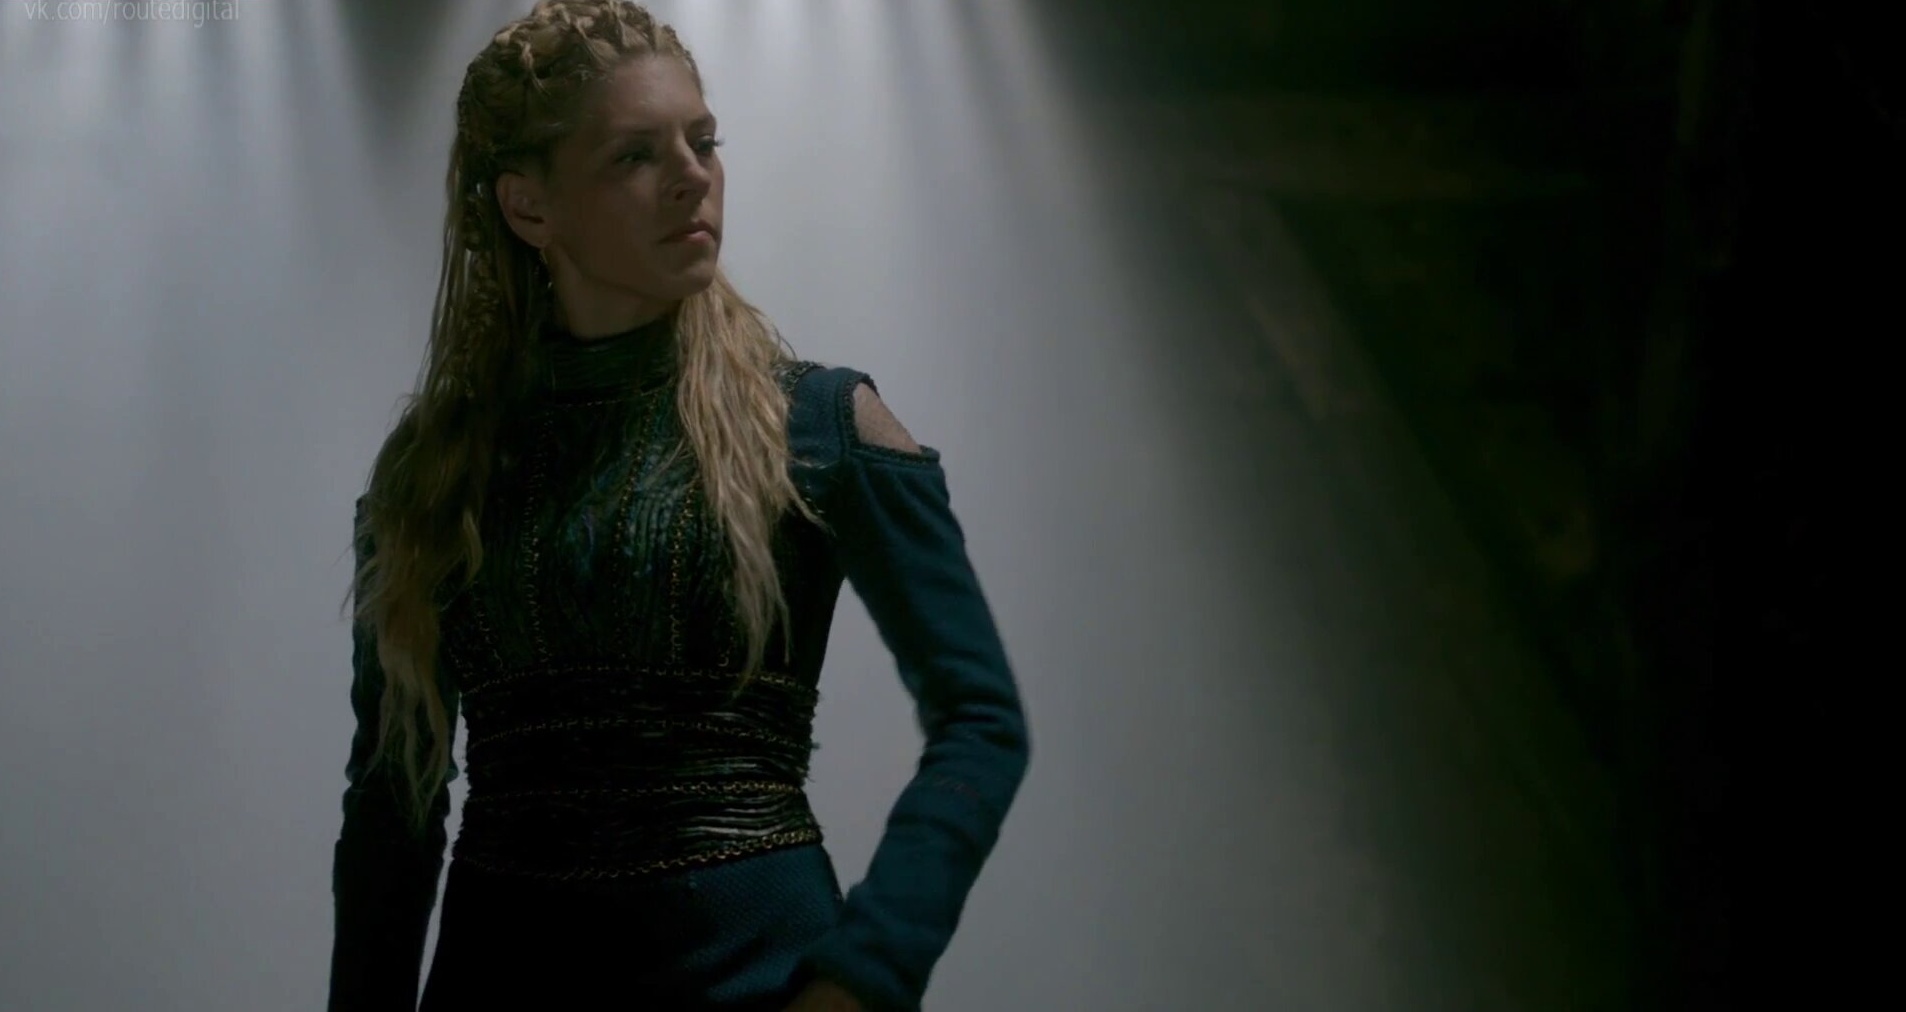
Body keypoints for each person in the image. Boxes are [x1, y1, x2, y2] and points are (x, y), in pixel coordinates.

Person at [325, 2, 1031, 1010]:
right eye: (634, 155)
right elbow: (393, 804)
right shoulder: (435, 471)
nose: (692, 175)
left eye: (704, 141)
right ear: (528, 206)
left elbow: (981, 718)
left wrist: (867, 974)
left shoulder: (820, 424)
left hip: (761, 979)